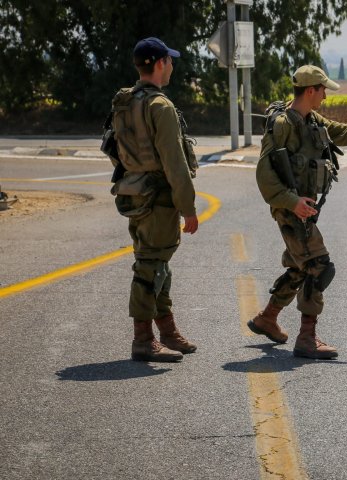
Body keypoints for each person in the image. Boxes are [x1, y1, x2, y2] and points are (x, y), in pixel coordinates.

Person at [251, 65, 347, 359]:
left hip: (303, 207)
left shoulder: (311, 120)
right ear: (311, 91)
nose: (326, 96)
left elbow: (344, 135)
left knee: (300, 267)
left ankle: (267, 319)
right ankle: (307, 338)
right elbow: (264, 174)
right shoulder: (283, 124)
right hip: (291, 209)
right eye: (323, 90)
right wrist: (292, 202)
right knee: (320, 266)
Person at [109, 37, 199, 362]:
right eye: (170, 60)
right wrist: (188, 208)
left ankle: (167, 329)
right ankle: (143, 338)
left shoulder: (126, 101)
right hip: (159, 198)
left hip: (135, 193)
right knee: (150, 266)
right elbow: (175, 163)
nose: (173, 65)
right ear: (160, 63)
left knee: (157, 262)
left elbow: (114, 149)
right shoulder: (160, 106)